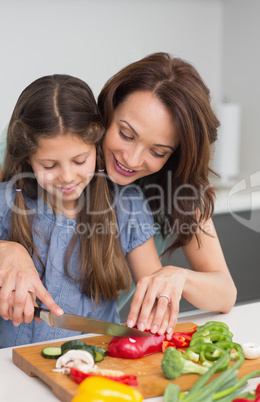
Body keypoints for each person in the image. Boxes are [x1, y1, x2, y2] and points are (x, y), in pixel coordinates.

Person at [0, 53, 237, 341]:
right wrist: (7, 249)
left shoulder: (153, 197)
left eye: (158, 151)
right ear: (104, 118)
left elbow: (225, 292)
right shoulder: (43, 139)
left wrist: (178, 276)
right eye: (126, 134)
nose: (132, 159)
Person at [0, 74, 159, 348]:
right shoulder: (6, 203)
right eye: (49, 165)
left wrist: (146, 322)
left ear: (97, 149)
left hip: (95, 365)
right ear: (28, 157)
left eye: (79, 160)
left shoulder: (126, 206)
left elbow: (155, 296)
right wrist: (6, 249)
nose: (67, 177)